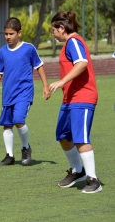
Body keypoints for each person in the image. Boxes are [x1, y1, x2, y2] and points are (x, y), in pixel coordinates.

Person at [49, 11, 102, 193]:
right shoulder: (68, 44)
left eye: (53, 30)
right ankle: (78, 171)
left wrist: (62, 81)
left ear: (61, 28)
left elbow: (82, 63)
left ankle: (93, 180)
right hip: (70, 98)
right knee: (63, 135)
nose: (53, 34)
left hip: (83, 97)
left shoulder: (73, 41)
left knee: (80, 138)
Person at [0, 17, 50, 167]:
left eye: (11, 34)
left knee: (18, 120)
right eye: (6, 34)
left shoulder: (28, 49)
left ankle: (25, 148)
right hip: (8, 94)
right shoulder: (2, 51)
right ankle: (9, 156)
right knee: (7, 125)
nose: (8, 37)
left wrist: (45, 85)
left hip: (24, 93)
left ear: (19, 33)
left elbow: (39, 66)